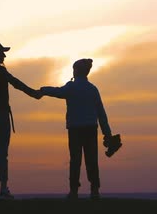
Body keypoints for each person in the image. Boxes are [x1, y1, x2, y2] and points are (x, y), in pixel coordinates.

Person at [39, 58, 115, 200]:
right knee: (92, 160)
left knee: (75, 160)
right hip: (91, 129)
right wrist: (107, 133)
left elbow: (58, 92)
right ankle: (94, 190)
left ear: (76, 71)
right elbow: (101, 113)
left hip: (75, 129)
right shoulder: (93, 89)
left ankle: (74, 191)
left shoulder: (71, 87)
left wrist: (43, 90)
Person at [0, 41, 42, 201]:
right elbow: (16, 83)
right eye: (1, 53)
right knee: (1, 154)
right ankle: (3, 189)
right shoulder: (0, 72)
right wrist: (33, 93)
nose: (4, 56)